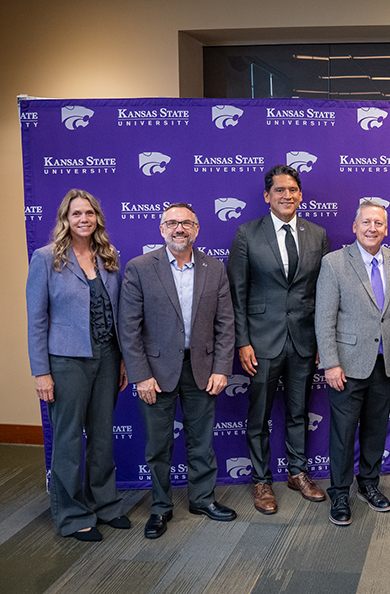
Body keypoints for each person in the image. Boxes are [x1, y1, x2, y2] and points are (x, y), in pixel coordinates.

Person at [119, 203, 237, 539]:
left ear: (197, 229)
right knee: (158, 446)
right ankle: (160, 506)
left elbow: (226, 323)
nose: (179, 228)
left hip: (202, 369)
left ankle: (202, 499)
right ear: (161, 229)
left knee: (202, 442)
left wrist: (221, 368)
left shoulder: (214, 268)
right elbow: (128, 328)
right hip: (155, 372)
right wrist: (141, 375)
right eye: (171, 223)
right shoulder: (140, 268)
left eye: (186, 222)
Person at [26, 189, 129, 542]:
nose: (83, 219)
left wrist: (122, 362)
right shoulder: (45, 259)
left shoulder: (108, 257)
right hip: (66, 362)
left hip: (107, 357)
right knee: (69, 439)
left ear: (97, 218)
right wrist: (41, 371)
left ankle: (105, 505)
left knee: (102, 437)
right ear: (65, 220)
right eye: (76, 214)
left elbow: (116, 314)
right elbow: (36, 319)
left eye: (89, 213)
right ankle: (71, 515)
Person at [227, 164, 330, 515]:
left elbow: (322, 294)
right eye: (279, 191)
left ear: (300, 194)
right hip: (261, 342)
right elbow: (236, 294)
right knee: (259, 415)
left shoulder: (317, 234)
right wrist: (242, 341)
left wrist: (320, 341)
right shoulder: (247, 234)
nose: (287, 196)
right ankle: (261, 480)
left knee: (299, 412)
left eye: (292, 190)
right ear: (267, 196)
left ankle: (298, 473)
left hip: (303, 341)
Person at [314, 201, 390, 526]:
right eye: (366, 223)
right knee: (344, 434)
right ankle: (340, 493)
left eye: (378, 223)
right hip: (345, 367)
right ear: (355, 227)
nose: (372, 228)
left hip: (385, 364)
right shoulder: (334, 263)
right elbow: (324, 317)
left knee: (375, 430)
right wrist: (330, 363)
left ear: (386, 229)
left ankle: (369, 484)